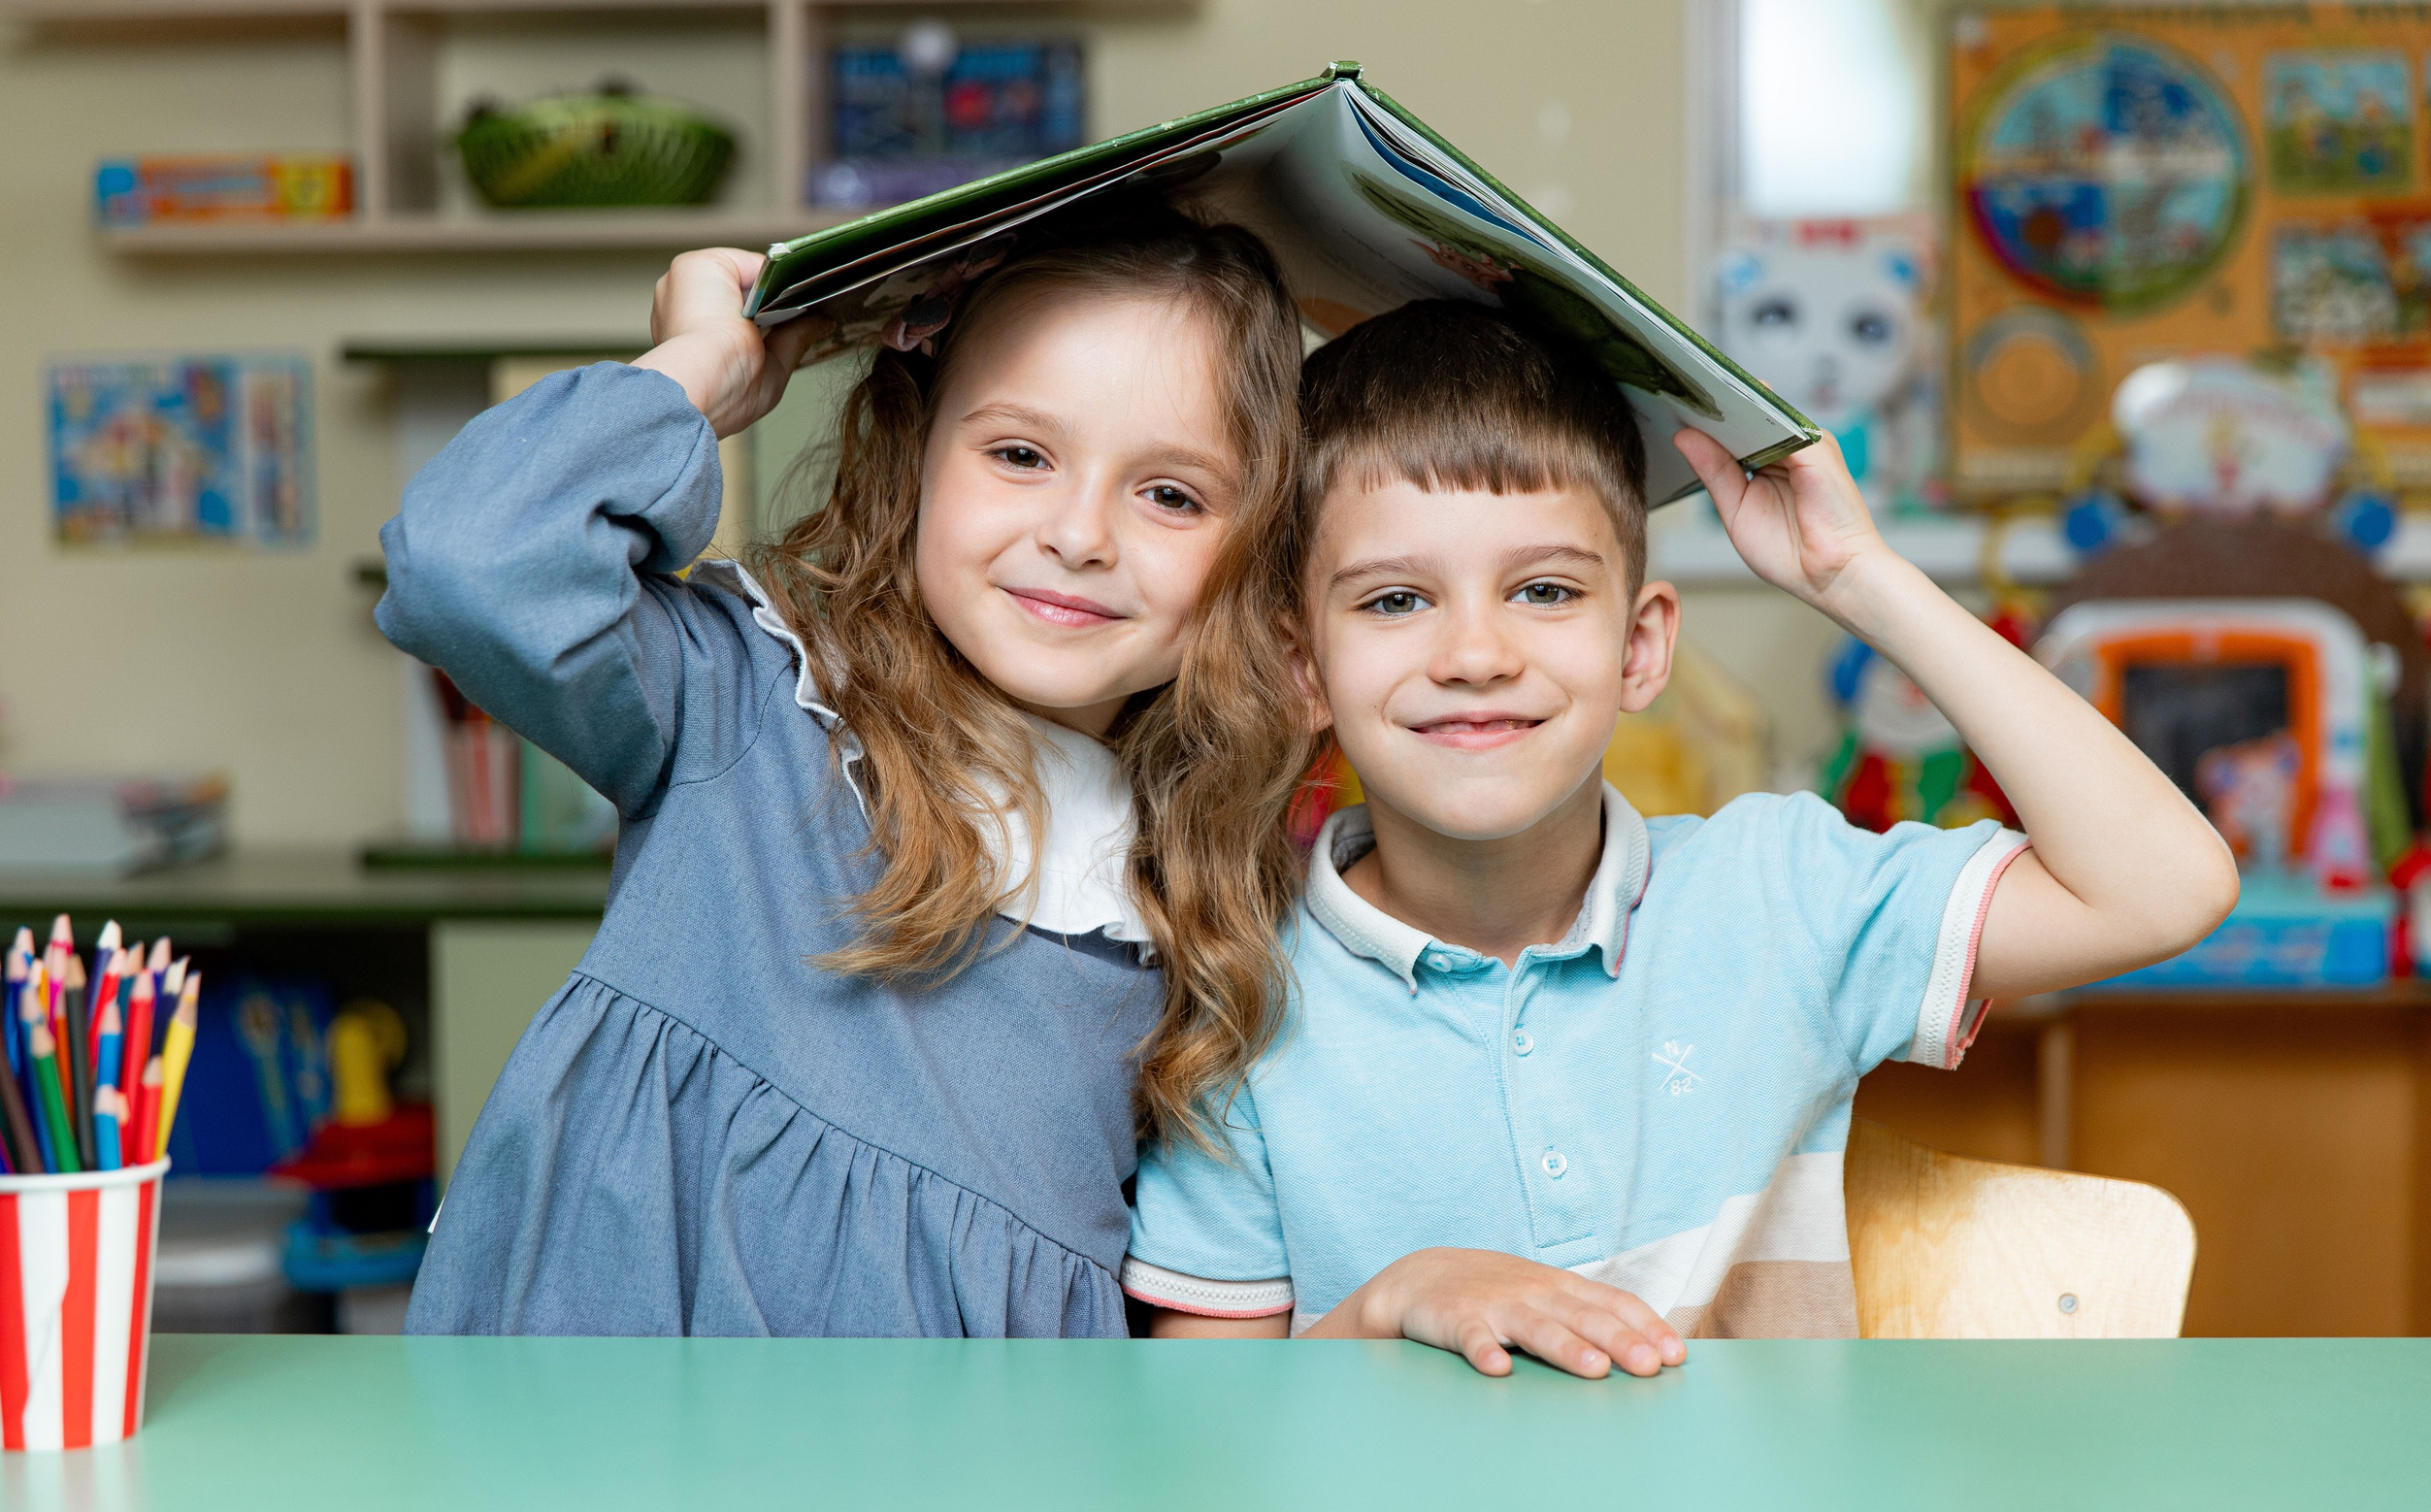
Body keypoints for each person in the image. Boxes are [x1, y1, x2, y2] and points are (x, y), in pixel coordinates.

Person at [1122, 302, 2239, 1377]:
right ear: (1301, 667)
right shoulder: (1238, 995)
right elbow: (1205, 1441)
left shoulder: (1778, 895)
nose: (1474, 652)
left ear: (1641, 648)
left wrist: (1862, 582)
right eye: (1395, 602)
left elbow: (2163, 889)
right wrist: (1389, 1305)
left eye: (1544, 589)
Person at [384, 209, 1316, 1335]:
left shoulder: (1194, 897)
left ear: (1256, 551)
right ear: (915, 446)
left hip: (940, 1488)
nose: (1080, 535)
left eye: (1171, 494)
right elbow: (467, 563)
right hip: (593, 1458)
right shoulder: (746, 699)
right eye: (1019, 454)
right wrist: (705, 372)